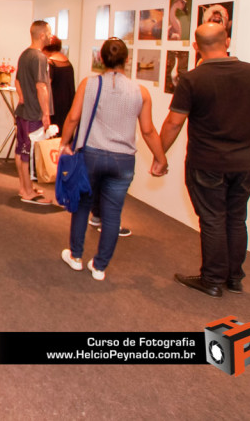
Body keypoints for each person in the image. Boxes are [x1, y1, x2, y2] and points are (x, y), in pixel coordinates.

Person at [159, 22, 250, 297]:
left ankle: (212, 279)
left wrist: (159, 155)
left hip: (206, 163)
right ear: (227, 40)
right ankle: (234, 278)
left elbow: (173, 124)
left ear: (195, 46)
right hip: (244, 162)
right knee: (236, 218)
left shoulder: (192, 79)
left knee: (213, 219)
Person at [58, 38, 168, 281]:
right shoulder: (141, 92)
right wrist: (161, 158)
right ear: (127, 60)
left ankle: (76, 256)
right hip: (123, 161)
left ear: (101, 59)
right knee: (112, 214)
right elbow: (148, 131)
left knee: (82, 206)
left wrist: (65, 143)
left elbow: (73, 118)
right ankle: (99, 266)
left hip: (92, 156)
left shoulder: (89, 84)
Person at [14, 20, 54, 204]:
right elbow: (41, 87)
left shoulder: (24, 54)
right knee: (27, 153)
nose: (51, 36)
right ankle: (28, 191)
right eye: (49, 32)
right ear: (42, 35)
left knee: (21, 150)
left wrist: (22, 97)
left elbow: (17, 82)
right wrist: (45, 114)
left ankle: (24, 187)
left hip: (23, 112)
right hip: (32, 114)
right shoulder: (39, 57)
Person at [42, 36, 74, 134]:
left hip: (54, 107)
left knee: (51, 137)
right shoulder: (67, 62)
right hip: (67, 105)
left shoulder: (50, 63)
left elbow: (46, 86)